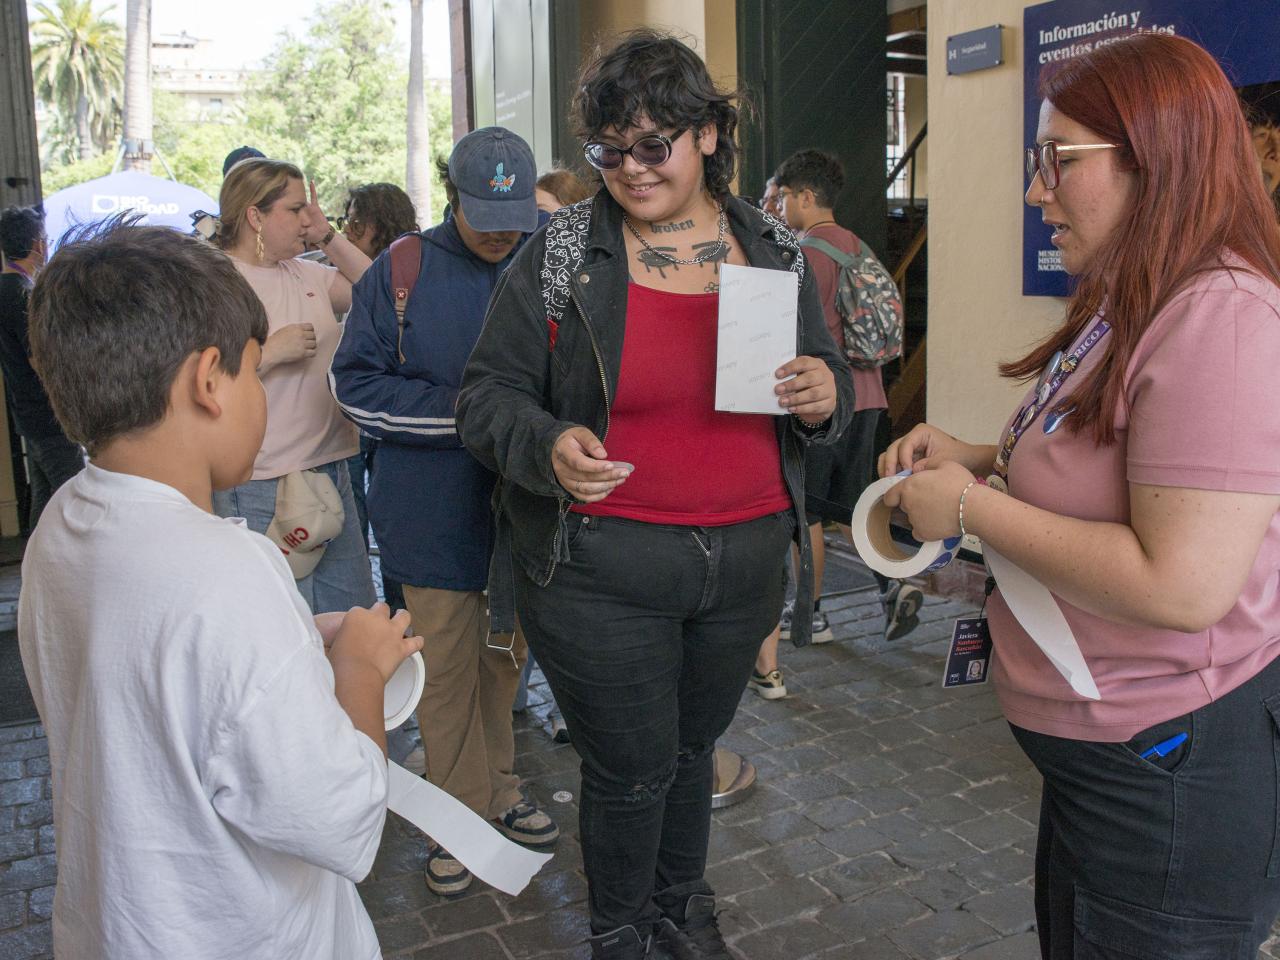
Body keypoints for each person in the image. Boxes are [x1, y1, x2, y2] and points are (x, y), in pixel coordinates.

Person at [881, 34, 1280, 959]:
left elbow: (1182, 585)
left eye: (1059, 162)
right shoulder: (1136, 295)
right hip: (1109, 757)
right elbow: (1111, 461)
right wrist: (976, 456)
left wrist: (971, 510)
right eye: (1036, 162)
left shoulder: (1221, 319)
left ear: (1157, 157)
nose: (1036, 191)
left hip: (1166, 766)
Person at [456, 30, 853, 959]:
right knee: (630, 767)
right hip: (601, 565)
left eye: (652, 145)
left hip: (743, 561)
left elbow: (820, 380)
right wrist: (547, 442)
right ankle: (623, 931)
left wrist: (823, 394)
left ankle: (680, 905)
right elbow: (485, 398)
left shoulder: (772, 249)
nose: (629, 169)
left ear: (708, 134)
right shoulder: (561, 256)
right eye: (608, 149)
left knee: (687, 757)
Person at [19, 220, 422, 960]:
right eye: (253, 370)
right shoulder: (229, 571)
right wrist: (360, 672)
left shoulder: (62, 524)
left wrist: (298, 640)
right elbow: (340, 820)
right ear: (209, 381)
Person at [331, 129, 559, 898]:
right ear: (451, 195)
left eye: (515, 214)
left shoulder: (544, 263)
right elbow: (355, 387)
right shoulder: (403, 270)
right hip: (428, 517)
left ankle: (498, 788)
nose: (502, 230)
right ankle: (457, 819)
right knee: (446, 672)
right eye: (485, 212)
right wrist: (473, 415)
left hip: (520, 515)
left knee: (504, 662)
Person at [747, 150, 923, 699]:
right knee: (858, 502)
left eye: (784, 197)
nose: (779, 206)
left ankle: (814, 614)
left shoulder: (803, 256)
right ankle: (893, 586)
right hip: (870, 396)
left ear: (801, 196)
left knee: (810, 516)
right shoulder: (856, 246)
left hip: (824, 403)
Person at [211, 158, 376, 613]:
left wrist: (326, 236)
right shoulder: (215, 282)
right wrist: (266, 354)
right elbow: (197, 382)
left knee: (351, 614)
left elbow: (380, 289)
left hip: (330, 468)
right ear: (255, 215)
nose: (306, 218)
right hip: (260, 479)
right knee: (275, 615)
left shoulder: (306, 273)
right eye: (296, 209)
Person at [338, 182, 419, 610]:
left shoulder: (409, 267)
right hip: (352, 420)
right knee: (363, 522)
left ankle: (397, 610)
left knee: (390, 520)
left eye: (352, 222)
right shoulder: (326, 267)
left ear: (376, 223)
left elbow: (369, 278)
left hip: (396, 418)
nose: (346, 232)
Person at [0, 206, 82, 531]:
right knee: (73, 493)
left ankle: (34, 572)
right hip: (48, 415)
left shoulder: (5, 289)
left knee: (45, 498)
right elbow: (39, 360)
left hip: (25, 412)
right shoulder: (23, 295)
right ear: (37, 245)